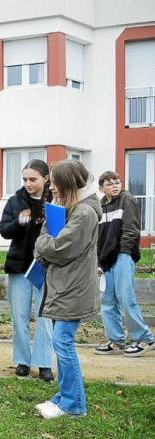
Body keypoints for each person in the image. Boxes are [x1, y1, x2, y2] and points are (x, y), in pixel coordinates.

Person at [34, 160, 101, 419]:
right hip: (65, 285)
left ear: (68, 183)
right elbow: (49, 236)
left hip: (73, 287)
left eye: (54, 181)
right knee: (61, 342)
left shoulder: (84, 212)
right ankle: (64, 397)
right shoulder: (70, 206)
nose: (51, 186)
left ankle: (74, 404)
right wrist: (45, 241)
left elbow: (59, 248)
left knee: (63, 342)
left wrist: (42, 243)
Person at [0, 160, 54, 381]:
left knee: (45, 317)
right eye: (25, 179)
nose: (28, 183)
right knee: (19, 316)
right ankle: (22, 360)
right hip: (19, 267)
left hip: (45, 267)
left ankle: (44, 362)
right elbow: (4, 230)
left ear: (46, 179)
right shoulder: (15, 201)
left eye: (33, 179)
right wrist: (19, 223)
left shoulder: (55, 201)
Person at [95, 171, 154, 357]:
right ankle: (116, 340)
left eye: (117, 182)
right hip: (106, 260)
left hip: (122, 255)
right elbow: (99, 237)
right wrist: (99, 260)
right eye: (110, 183)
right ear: (101, 188)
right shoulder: (101, 205)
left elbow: (131, 229)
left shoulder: (126, 199)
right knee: (107, 300)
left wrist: (125, 252)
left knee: (126, 298)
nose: (115, 185)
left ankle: (144, 339)